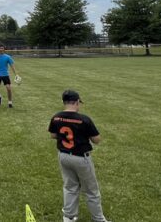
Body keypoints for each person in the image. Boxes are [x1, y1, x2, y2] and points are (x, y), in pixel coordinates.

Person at [48, 90, 110, 222]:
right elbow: (97, 140)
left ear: (64, 102)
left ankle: (69, 217)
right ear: (76, 102)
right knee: (91, 191)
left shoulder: (56, 117)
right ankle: (98, 219)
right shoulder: (84, 119)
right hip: (81, 158)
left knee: (70, 187)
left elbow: (53, 135)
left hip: (63, 155)